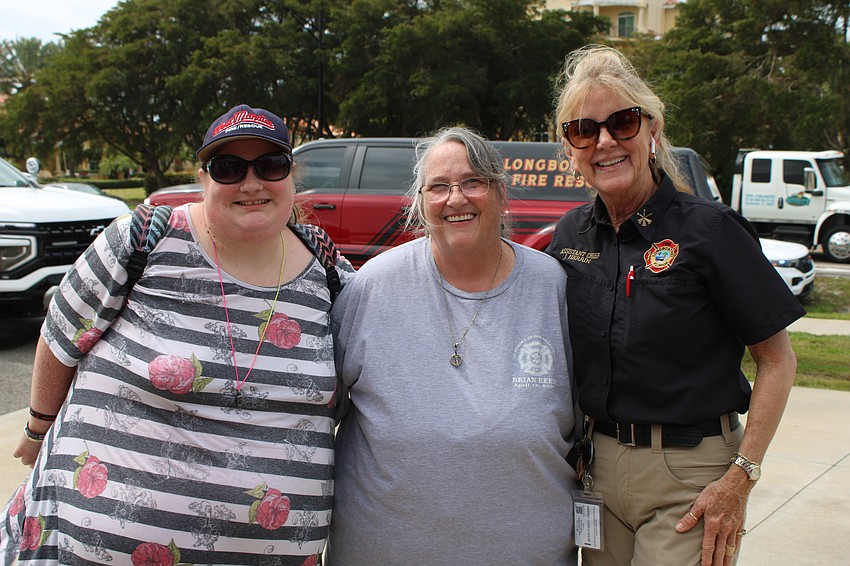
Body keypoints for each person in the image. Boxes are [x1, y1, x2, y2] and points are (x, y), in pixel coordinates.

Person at [0, 104, 354, 565]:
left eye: (270, 165)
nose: (251, 183)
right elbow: (61, 334)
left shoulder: (326, 270)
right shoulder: (144, 240)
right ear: (203, 178)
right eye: (228, 168)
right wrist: (39, 424)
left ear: (291, 174)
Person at [545, 45, 805, 566]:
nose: (605, 142)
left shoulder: (709, 230)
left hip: (690, 475)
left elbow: (778, 360)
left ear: (652, 130)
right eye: (584, 130)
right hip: (598, 472)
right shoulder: (572, 233)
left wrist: (742, 475)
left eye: (622, 122)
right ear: (570, 149)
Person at [327, 126, 578, 565]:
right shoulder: (373, 288)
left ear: (500, 194)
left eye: (472, 182)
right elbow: (317, 410)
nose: (455, 198)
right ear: (420, 203)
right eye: (438, 187)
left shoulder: (552, 287)